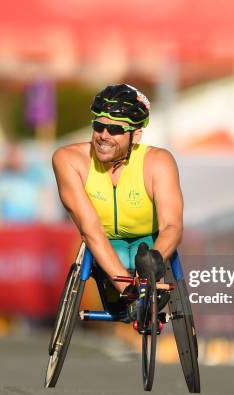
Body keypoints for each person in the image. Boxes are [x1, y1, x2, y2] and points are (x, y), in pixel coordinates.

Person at [52, 84, 183, 319]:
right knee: (121, 257)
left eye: (114, 129)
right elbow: (90, 229)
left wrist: (155, 261)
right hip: (105, 243)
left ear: (136, 135)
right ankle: (127, 299)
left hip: (148, 244)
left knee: (141, 257)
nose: (103, 135)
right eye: (99, 126)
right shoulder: (69, 160)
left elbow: (172, 226)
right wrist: (130, 292)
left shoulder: (159, 162)